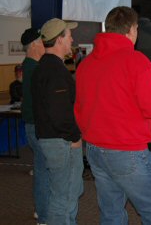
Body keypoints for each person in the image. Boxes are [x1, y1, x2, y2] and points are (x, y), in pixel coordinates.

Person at [74, 6, 151, 225]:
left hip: (95, 149)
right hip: (128, 150)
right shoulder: (137, 61)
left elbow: (80, 108)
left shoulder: (85, 64)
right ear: (133, 30)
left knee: (111, 210)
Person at [31, 18, 83, 225]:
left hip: (52, 138)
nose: (72, 39)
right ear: (59, 39)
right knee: (63, 196)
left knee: (67, 192)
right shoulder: (54, 71)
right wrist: (75, 137)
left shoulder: (44, 67)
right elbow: (59, 113)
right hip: (61, 141)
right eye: (69, 36)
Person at [20, 28, 48, 224]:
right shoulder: (34, 68)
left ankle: (41, 211)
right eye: (41, 41)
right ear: (34, 45)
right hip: (38, 127)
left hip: (33, 126)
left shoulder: (30, 65)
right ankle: (45, 216)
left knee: (41, 170)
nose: (44, 44)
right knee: (45, 173)